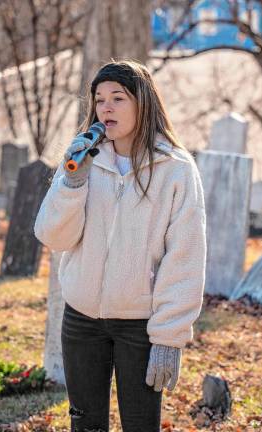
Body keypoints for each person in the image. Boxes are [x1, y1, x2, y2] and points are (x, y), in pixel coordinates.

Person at [34, 59, 207, 432]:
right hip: (81, 320)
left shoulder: (176, 170)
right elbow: (53, 236)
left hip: (140, 326)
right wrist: (72, 183)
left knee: (140, 426)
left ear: (143, 103)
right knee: (85, 425)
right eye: (99, 100)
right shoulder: (83, 160)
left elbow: (185, 258)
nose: (106, 108)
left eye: (118, 98)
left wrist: (168, 338)